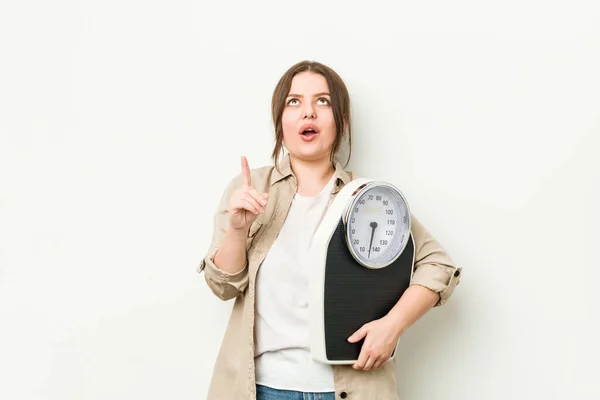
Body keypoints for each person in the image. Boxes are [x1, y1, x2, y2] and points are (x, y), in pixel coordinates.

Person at [197, 60, 461, 400]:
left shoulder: (369, 199)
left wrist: (392, 326)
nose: (308, 112)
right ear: (280, 120)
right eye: (294, 102)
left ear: (342, 121)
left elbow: (438, 266)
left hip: (351, 389)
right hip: (262, 389)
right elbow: (222, 286)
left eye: (322, 101)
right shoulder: (250, 188)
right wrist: (236, 230)